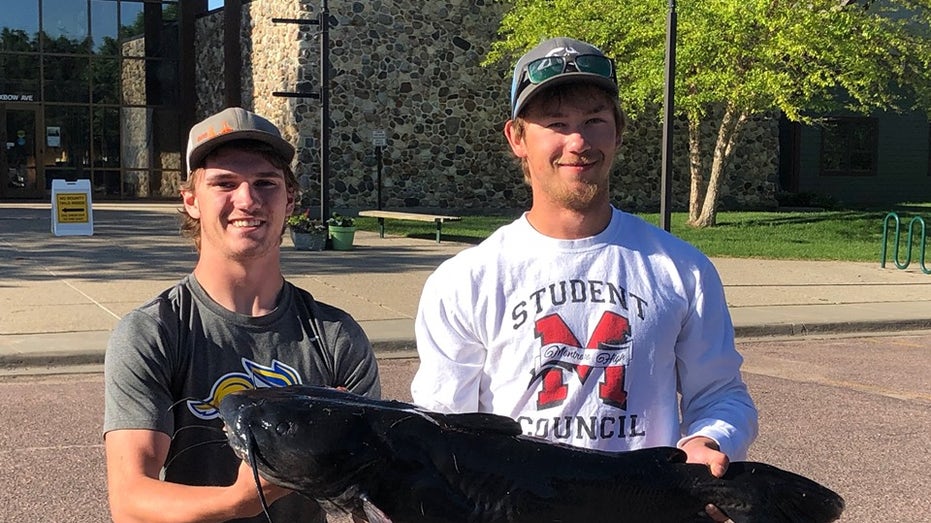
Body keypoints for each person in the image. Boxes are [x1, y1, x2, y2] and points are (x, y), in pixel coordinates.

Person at [411, 37, 758, 520]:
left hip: (649, 508)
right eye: (556, 124)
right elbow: (441, 431)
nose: (578, 142)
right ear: (517, 138)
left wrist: (708, 440)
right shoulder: (466, 279)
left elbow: (720, 393)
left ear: (617, 132)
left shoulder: (681, 269)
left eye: (594, 120)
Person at [103, 107, 381, 523]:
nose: (247, 200)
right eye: (224, 183)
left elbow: (374, 492)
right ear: (191, 200)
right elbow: (130, 500)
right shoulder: (154, 332)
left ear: (290, 200)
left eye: (265, 183)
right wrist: (242, 499)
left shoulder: (335, 336)